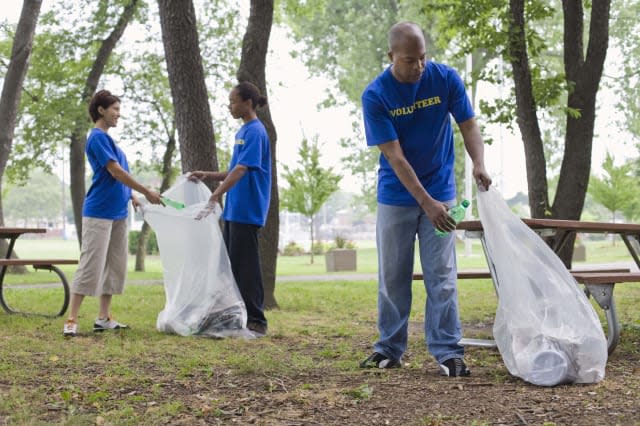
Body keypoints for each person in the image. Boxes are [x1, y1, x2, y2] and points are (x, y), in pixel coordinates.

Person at [359, 22, 492, 376]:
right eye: (408, 60)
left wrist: (478, 163)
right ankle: (389, 348)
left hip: (442, 193)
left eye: (422, 58)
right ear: (390, 57)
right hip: (396, 196)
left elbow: (468, 125)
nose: (418, 67)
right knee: (394, 276)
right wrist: (426, 203)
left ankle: (448, 350)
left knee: (442, 276)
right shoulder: (376, 95)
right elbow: (395, 157)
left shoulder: (445, 79)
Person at [63, 90, 163, 337]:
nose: (119, 114)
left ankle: (103, 318)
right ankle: (72, 318)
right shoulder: (96, 138)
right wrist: (146, 190)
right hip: (98, 212)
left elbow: (119, 180)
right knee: (91, 265)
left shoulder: (110, 141)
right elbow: (115, 172)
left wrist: (133, 197)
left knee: (114, 267)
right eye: (115, 109)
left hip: (119, 213)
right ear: (101, 110)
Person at [189, 81, 271, 337]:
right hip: (235, 209)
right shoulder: (242, 133)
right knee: (231, 266)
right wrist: (208, 175)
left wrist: (215, 195)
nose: (229, 106)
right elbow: (233, 169)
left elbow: (242, 169)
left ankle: (257, 320)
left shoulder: (256, 131)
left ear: (247, 102)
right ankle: (236, 316)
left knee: (247, 268)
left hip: (248, 209)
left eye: (233, 101)